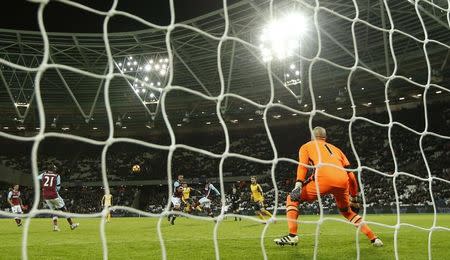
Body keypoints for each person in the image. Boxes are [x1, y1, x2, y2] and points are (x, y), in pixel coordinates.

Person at [274, 127, 383, 247]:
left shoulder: (306, 146)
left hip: (323, 178)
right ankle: (374, 239)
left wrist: (298, 185)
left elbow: (302, 166)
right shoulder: (337, 149)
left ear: (312, 136)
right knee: (347, 212)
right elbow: (351, 175)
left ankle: (292, 236)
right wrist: (354, 197)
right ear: (325, 138)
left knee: (292, 199)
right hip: (342, 181)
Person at [38, 165, 79, 232]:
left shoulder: (43, 174)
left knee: (54, 211)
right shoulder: (57, 176)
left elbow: (37, 178)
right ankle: (72, 225)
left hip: (46, 196)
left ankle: (55, 227)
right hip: (54, 195)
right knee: (64, 209)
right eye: (55, 169)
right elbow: (58, 187)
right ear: (53, 169)